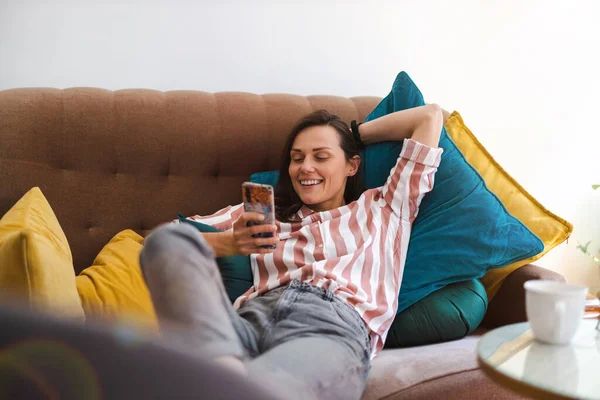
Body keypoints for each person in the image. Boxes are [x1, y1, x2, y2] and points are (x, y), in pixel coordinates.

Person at [140, 105, 444, 400]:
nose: (305, 167)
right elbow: (164, 240)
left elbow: (428, 116)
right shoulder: (264, 217)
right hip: (246, 320)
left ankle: (220, 378)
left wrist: (354, 135)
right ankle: (225, 370)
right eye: (297, 158)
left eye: (321, 156)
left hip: (327, 328)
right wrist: (230, 243)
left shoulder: (385, 207)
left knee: (270, 388)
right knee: (166, 241)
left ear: (352, 165)